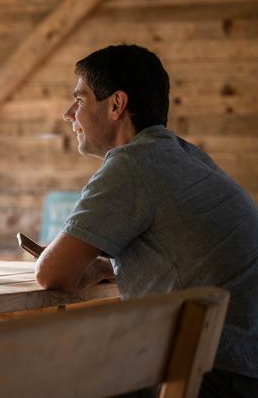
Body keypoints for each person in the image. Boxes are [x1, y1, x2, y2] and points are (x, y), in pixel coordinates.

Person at [35, 44, 258, 396]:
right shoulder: (183, 155)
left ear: (115, 105)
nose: (68, 114)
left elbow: (52, 274)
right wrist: (108, 266)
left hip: (206, 373)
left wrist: (72, 263)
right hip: (241, 367)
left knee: (46, 378)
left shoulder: (131, 164)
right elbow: (182, 254)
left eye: (79, 101)